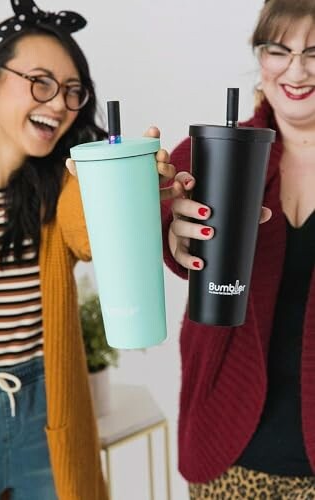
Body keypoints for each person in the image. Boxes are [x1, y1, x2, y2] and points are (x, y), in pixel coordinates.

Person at [0, 1, 179, 499]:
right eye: (41, 81)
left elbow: (94, 234)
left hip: (44, 404)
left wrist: (130, 186)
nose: (60, 104)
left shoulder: (67, 183)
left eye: (73, 91)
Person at [161, 0, 315, 498]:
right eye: (279, 49)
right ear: (260, 56)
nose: (296, 69)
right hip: (228, 455)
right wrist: (172, 229)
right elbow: (170, 207)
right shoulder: (214, 153)